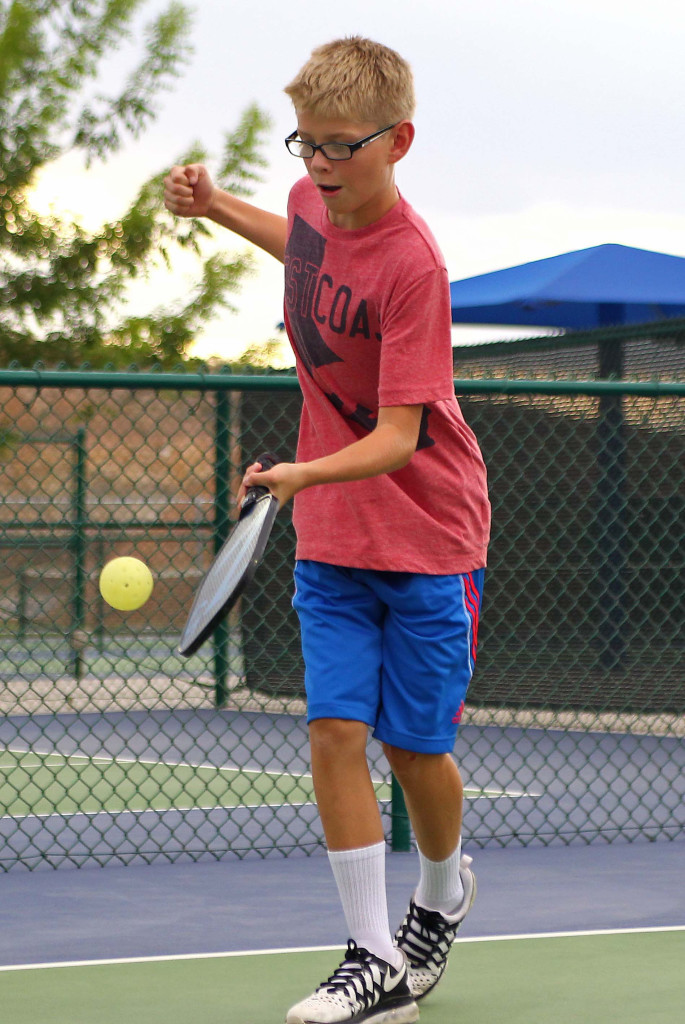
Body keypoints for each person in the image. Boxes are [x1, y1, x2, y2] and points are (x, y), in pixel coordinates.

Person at [164, 36, 490, 1024]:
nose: (318, 167)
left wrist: (300, 472)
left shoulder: (415, 268)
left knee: (414, 747)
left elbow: (399, 435)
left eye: (340, 148)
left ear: (400, 141)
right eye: (305, 144)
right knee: (333, 731)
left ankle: (438, 893)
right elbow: (304, 246)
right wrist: (217, 205)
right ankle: (372, 959)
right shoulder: (314, 201)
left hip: (429, 536)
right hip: (333, 538)